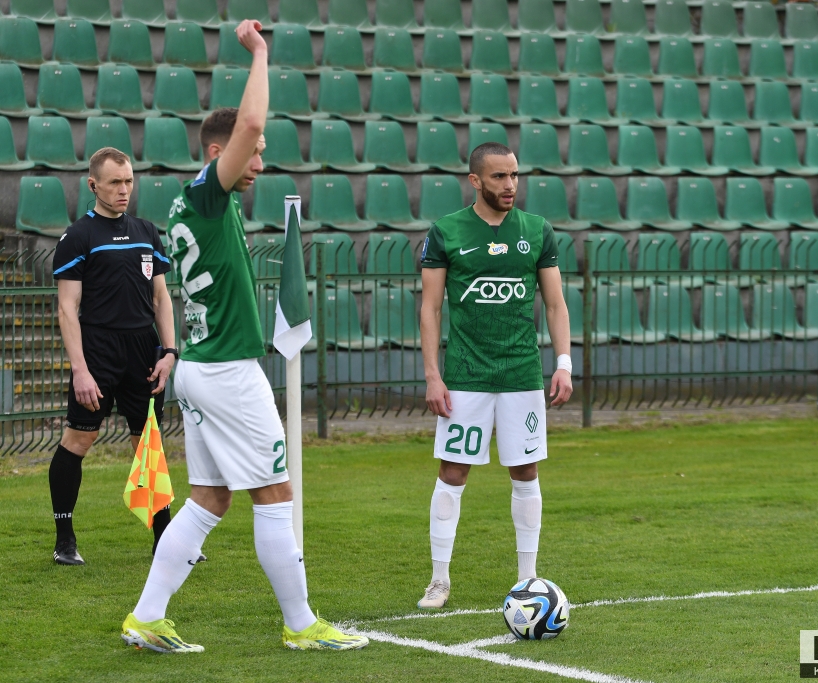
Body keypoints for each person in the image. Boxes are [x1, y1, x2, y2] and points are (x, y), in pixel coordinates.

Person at [120, 20, 367, 654]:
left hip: (202, 368)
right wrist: (260, 52)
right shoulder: (206, 195)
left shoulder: (199, 204)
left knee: (209, 498)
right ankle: (301, 624)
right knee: (275, 493)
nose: (258, 161)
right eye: (250, 153)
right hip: (227, 371)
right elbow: (251, 120)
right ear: (218, 152)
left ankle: (146, 617)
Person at [417, 142, 573, 609]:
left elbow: (555, 304)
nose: (510, 185)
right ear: (475, 181)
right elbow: (430, 309)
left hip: (522, 374)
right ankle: (439, 580)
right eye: (499, 177)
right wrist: (433, 375)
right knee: (453, 471)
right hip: (466, 376)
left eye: (514, 175)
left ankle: (528, 579)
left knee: (525, 471)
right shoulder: (446, 231)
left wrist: (564, 363)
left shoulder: (537, 231)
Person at [50, 146, 178, 566]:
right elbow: (67, 308)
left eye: (128, 181)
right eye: (114, 183)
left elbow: (161, 298)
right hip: (98, 351)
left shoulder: (147, 231)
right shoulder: (78, 237)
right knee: (79, 439)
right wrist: (80, 371)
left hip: (143, 350)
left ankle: (165, 541)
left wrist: (169, 351)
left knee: (149, 444)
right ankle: (65, 540)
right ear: (93, 185)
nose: (124, 190)